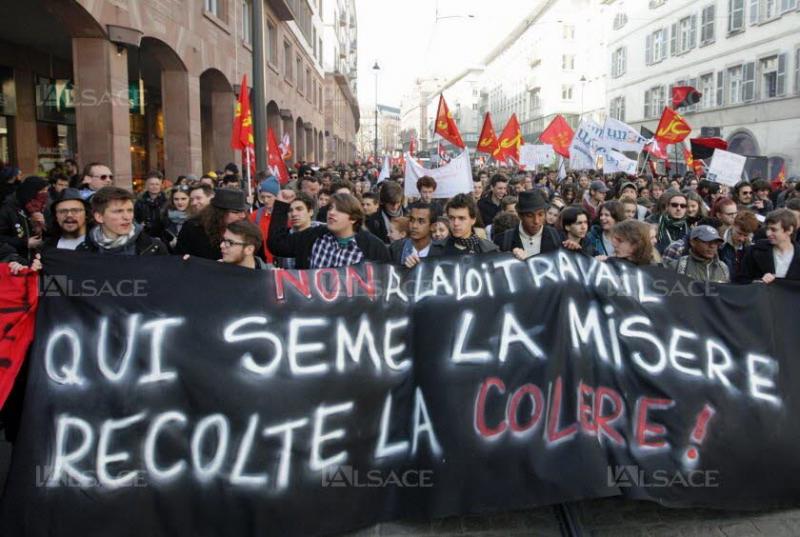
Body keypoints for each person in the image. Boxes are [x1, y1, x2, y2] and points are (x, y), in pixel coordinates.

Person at [268, 191, 389, 268]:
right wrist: (282, 205)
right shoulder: (315, 236)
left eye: (339, 210)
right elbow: (277, 245)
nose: (331, 213)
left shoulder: (374, 248)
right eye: (330, 208)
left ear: (353, 218)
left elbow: (385, 284)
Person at [77, 186, 167, 255]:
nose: (127, 217)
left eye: (130, 210)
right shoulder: (83, 250)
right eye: (118, 211)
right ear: (99, 217)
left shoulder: (155, 248)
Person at [175, 189, 248, 260]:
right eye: (236, 212)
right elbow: (179, 257)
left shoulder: (246, 229)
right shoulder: (193, 228)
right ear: (220, 213)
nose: (243, 216)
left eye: (243, 211)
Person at [494, 190, 560, 260]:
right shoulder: (504, 240)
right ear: (520, 216)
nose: (536, 221)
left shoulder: (555, 235)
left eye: (540, 215)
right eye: (530, 216)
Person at [741, 209, 800, 282]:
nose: (768, 234)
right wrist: (759, 282)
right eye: (767, 229)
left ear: (789, 230)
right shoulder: (755, 250)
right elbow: (741, 280)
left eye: (773, 230)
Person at [0, 176, 49, 260]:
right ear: (31, 192)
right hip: (16, 261)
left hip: (39, 259)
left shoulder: (43, 207)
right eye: (42, 191)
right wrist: (25, 243)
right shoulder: (8, 209)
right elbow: (2, 237)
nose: (45, 195)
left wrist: (43, 226)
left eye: (46, 191)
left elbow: (52, 234)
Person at [391, 201, 445, 267]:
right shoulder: (396, 249)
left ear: (432, 226)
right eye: (412, 220)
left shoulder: (442, 252)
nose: (414, 226)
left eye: (421, 222)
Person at [718, 211, 759, 283]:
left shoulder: (752, 248)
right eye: (739, 233)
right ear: (733, 225)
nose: (741, 239)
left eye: (746, 235)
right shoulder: (719, 242)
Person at [249, 176, 281, 263]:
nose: (265, 200)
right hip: (261, 262)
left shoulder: (285, 215)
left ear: (277, 196)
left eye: (269, 197)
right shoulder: (255, 215)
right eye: (263, 197)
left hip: (280, 263)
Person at [157, 185, 190, 252]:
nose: (179, 202)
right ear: (172, 200)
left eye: (183, 199)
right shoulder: (164, 217)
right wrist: (170, 245)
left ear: (190, 199)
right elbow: (157, 243)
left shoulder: (197, 218)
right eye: (176, 199)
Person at [134, 171, 167, 237]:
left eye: (157, 184)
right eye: (151, 184)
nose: (154, 186)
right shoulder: (140, 202)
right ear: (147, 186)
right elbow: (135, 219)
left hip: (163, 236)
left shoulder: (166, 201)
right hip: (145, 236)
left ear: (160, 186)